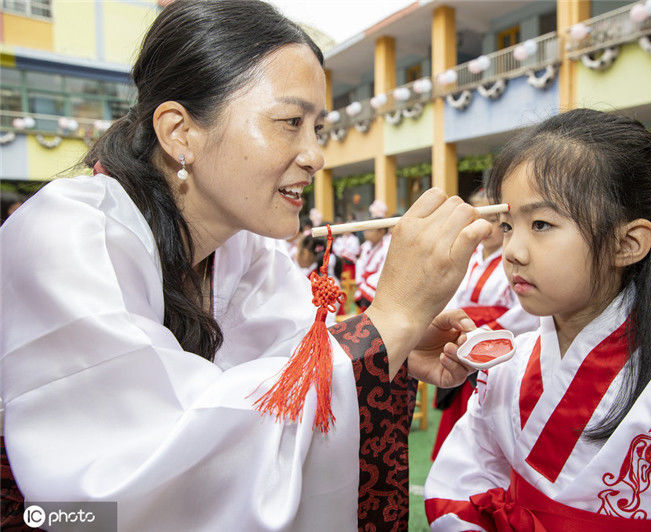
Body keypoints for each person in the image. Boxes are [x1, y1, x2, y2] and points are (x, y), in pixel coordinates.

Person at [0, 2, 493, 530]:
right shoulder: (68, 235)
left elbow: (286, 376)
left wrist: (389, 342)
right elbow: (132, 485)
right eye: (290, 123)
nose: (315, 155)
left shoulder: (247, 252)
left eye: (317, 128)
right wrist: (390, 320)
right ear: (179, 132)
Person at [425, 109, 651, 530]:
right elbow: (463, 477)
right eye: (507, 226)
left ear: (627, 243)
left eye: (541, 224)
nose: (513, 251)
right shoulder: (505, 365)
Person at [431, 188, 539, 460]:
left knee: (494, 407)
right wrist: (455, 327)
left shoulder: (514, 257)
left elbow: (524, 310)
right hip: (463, 336)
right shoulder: (467, 256)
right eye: (478, 218)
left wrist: (488, 331)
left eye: (493, 220)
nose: (485, 227)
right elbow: (450, 296)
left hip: (496, 343)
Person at [354, 225, 390, 310]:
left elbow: (384, 270)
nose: (366, 233)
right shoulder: (365, 246)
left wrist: (366, 284)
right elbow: (360, 264)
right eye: (366, 230)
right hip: (365, 282)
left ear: (381, 232)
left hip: (378, 285)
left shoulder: (388, 245)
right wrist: (360, 281)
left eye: (370, 230)